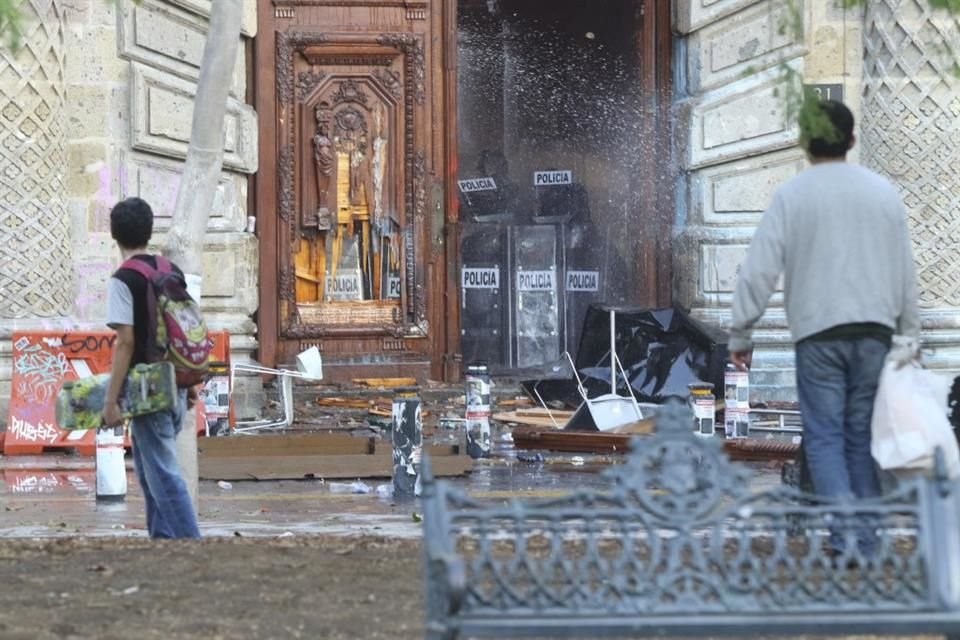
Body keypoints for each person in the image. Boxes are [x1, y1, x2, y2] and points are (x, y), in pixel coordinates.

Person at [728, 100, 919, 526]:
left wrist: (741, 334)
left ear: (803, 142)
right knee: (861, 438)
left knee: (826, 438)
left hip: (818, 336)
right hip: (874, 334)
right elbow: (904, 270)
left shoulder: (792, 194)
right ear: (852, 140)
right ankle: (865, 542)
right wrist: (911, 336)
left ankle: (845, 536)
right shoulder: (882, 193)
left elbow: (758, 270)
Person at [102, 197, 201, 539]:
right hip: (175, 383)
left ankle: (192, 544)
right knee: (149, 473)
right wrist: (192, 383)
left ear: (115, 234)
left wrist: (110, 401)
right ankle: (162, 544)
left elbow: (125, 342)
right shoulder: (170, 270)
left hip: (148, 390)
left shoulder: (123, 279)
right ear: (149, 230)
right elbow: (186, 329)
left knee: (163, 474)